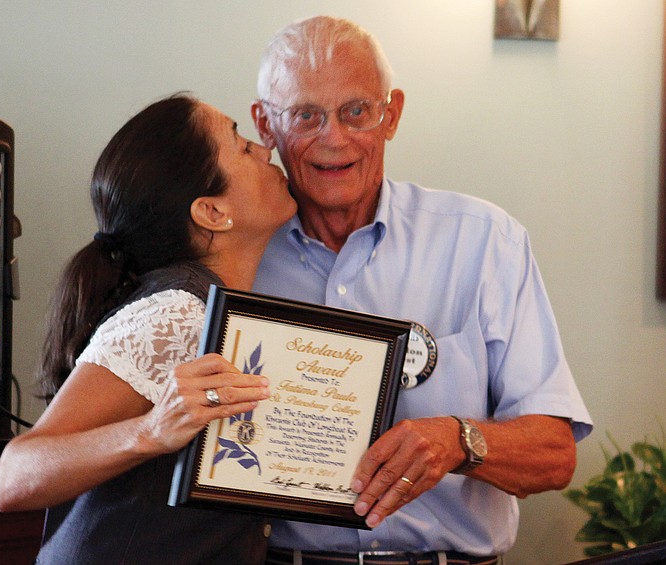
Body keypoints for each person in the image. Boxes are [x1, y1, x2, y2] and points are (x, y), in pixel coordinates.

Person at [249, 15, 592, 565]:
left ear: (392, 114)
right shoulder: (236, 257)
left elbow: (554, 456)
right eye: (306, 115)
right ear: (265, 125)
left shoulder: (485, 241)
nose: (333, 138)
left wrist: (459, 440)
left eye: (356, 111)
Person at [0, 94, 296, 563]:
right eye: (239, 143)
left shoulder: (215, 305)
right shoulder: (176, 313)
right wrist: (151, 430)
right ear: (211, 212)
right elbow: (13, 477)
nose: (264, 149)